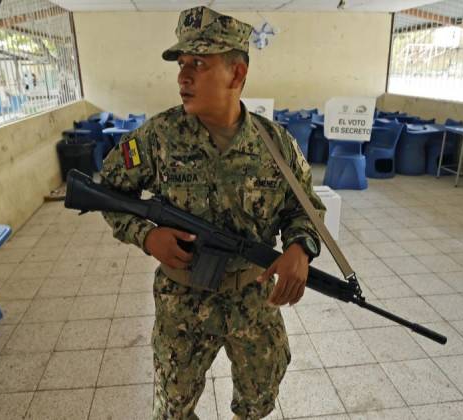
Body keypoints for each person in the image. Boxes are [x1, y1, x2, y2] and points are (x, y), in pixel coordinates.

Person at [98, 7, 324, 419]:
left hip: (255, 299)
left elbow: (305, 208)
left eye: (199, 64)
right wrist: (147, 236)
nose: (183, 77)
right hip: (181, 302)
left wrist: (299, 248)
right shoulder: (157, 137)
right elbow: (107, 192)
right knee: (173, 406)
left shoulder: (276, 144)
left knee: (258, 401)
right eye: (182, 64)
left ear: (236, 75)